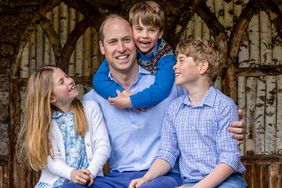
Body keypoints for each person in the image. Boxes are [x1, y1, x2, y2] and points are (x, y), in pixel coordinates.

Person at [64, 15, 245, 188]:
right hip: (117, 177)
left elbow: (204, 98)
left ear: (135, 42)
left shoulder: (169, 86)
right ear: (102, 48)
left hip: (165, 176)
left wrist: (233, 121)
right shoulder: (93, 100)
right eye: (113, 42)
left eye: (126, 40)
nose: (121, 48)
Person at [129, 39, 247, 188]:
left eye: (181, 61)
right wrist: (146, 179)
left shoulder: (223, 106)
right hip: (191, 181)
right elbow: (167, 153)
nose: (174, 66)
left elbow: (230, 159)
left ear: (202, 66)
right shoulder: (174, 109)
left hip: (227, 181)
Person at [20, 65, 111, 187]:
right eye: (61, 82)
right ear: (52, 97)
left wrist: (91, 172)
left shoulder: (90, 108)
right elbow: (51, 159)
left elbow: (103, 145)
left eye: (66, 76)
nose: (70, 81)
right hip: (55, 184)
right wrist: (71, 173)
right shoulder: (46, 123)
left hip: (90, 180)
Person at [93, 1, 175, 109]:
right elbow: (98, 80)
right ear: (131, 29)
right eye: (139, 29)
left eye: (151, 30)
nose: (144, 35)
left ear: (160, 33)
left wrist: (133, 101)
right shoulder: (127, 49)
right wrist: (124, 95)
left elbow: (161, 89)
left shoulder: (166, 56)